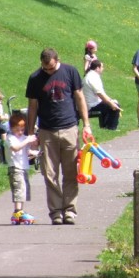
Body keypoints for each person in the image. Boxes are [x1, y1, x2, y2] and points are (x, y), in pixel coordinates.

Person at [25, 47, 91, 226]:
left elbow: (79, 97)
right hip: (47, 131)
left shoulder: (70, 72)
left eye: (52, 68)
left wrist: (86, 125)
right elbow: (32, 107)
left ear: (57, 60)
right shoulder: (35, 78)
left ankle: (70, 210)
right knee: (49, 173)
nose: (48, 71)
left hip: (69, 127)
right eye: (45, 68)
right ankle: (56, 212)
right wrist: (31, 134)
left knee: (70, 172)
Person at [5, 111, 38, 225]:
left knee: (24, 190)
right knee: (19, 189)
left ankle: (21, 212)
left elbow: (27, 150)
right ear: (11, 128)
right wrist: (27, 140)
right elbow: (15, 148)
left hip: (23, 167)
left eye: (22, 130)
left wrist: (36, 152)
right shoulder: (10, 138)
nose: (20, 132)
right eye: (17, 129)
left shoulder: (23, 138)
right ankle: (17, 211)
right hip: (15, 168)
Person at [82, 60, 121, 130]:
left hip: (93, 103)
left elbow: (102, 93)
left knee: (112, 103)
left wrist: (111, 100)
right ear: (97, 68)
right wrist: (111, 103)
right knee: (114, 106)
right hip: (91, 105)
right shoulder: (92, 77)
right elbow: (100, 94)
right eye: (102, 67)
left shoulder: (92, 76)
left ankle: (105, 127)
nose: (103, 69)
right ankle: (111, 128)